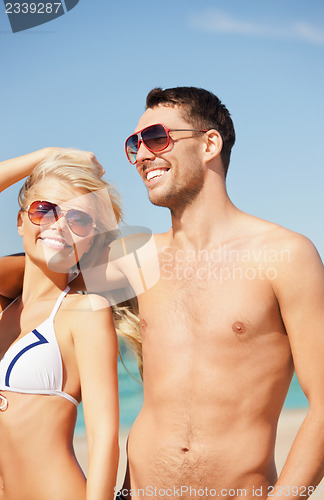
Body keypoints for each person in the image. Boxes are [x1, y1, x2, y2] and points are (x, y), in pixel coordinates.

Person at [2, 87, 324, 500]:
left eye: (156, 137)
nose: (141, 155)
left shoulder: (284, 255)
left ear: (210, 143)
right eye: (134, 145)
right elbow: (33, 263)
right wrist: (42, 156)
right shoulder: (129, 260)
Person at [0, 148, 121, 500]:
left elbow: (104, 440)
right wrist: (48, 154)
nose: (59, 226)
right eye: (44, 210)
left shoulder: (84, 312)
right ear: (21, 221)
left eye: (79, 220)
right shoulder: (7, 309)